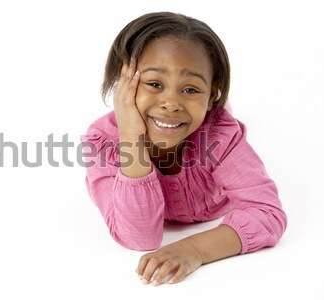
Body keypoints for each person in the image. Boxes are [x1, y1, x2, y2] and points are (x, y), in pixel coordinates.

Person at [80, 12, 287, 286]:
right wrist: (131, 137)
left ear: (212, 93)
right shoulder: (102, 143)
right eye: (154, 84)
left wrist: (195, 249)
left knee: (213, 118)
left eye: (191, 89)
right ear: (122, 83)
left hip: (207, 126)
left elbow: (268, 214)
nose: (171, 102)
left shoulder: (220, 136)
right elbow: (139, 238)